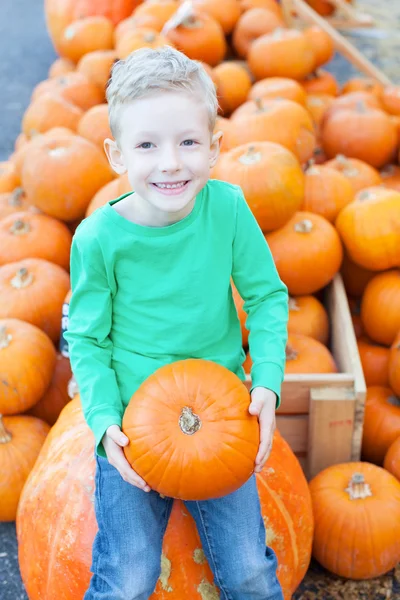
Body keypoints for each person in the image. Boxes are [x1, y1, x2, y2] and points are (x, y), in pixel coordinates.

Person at [65, 45, 288, 600]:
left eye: (188, 142)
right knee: (127, 578)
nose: (170, 162)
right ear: (117, 155)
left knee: (249, 573)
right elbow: (86, 338)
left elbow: (266, 296)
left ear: (214, 148)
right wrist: (102, 422)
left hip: (220, 419)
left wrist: (267, 382)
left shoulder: (230, 209)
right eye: (147, 145)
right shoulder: (98, 238)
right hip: (135, 428)